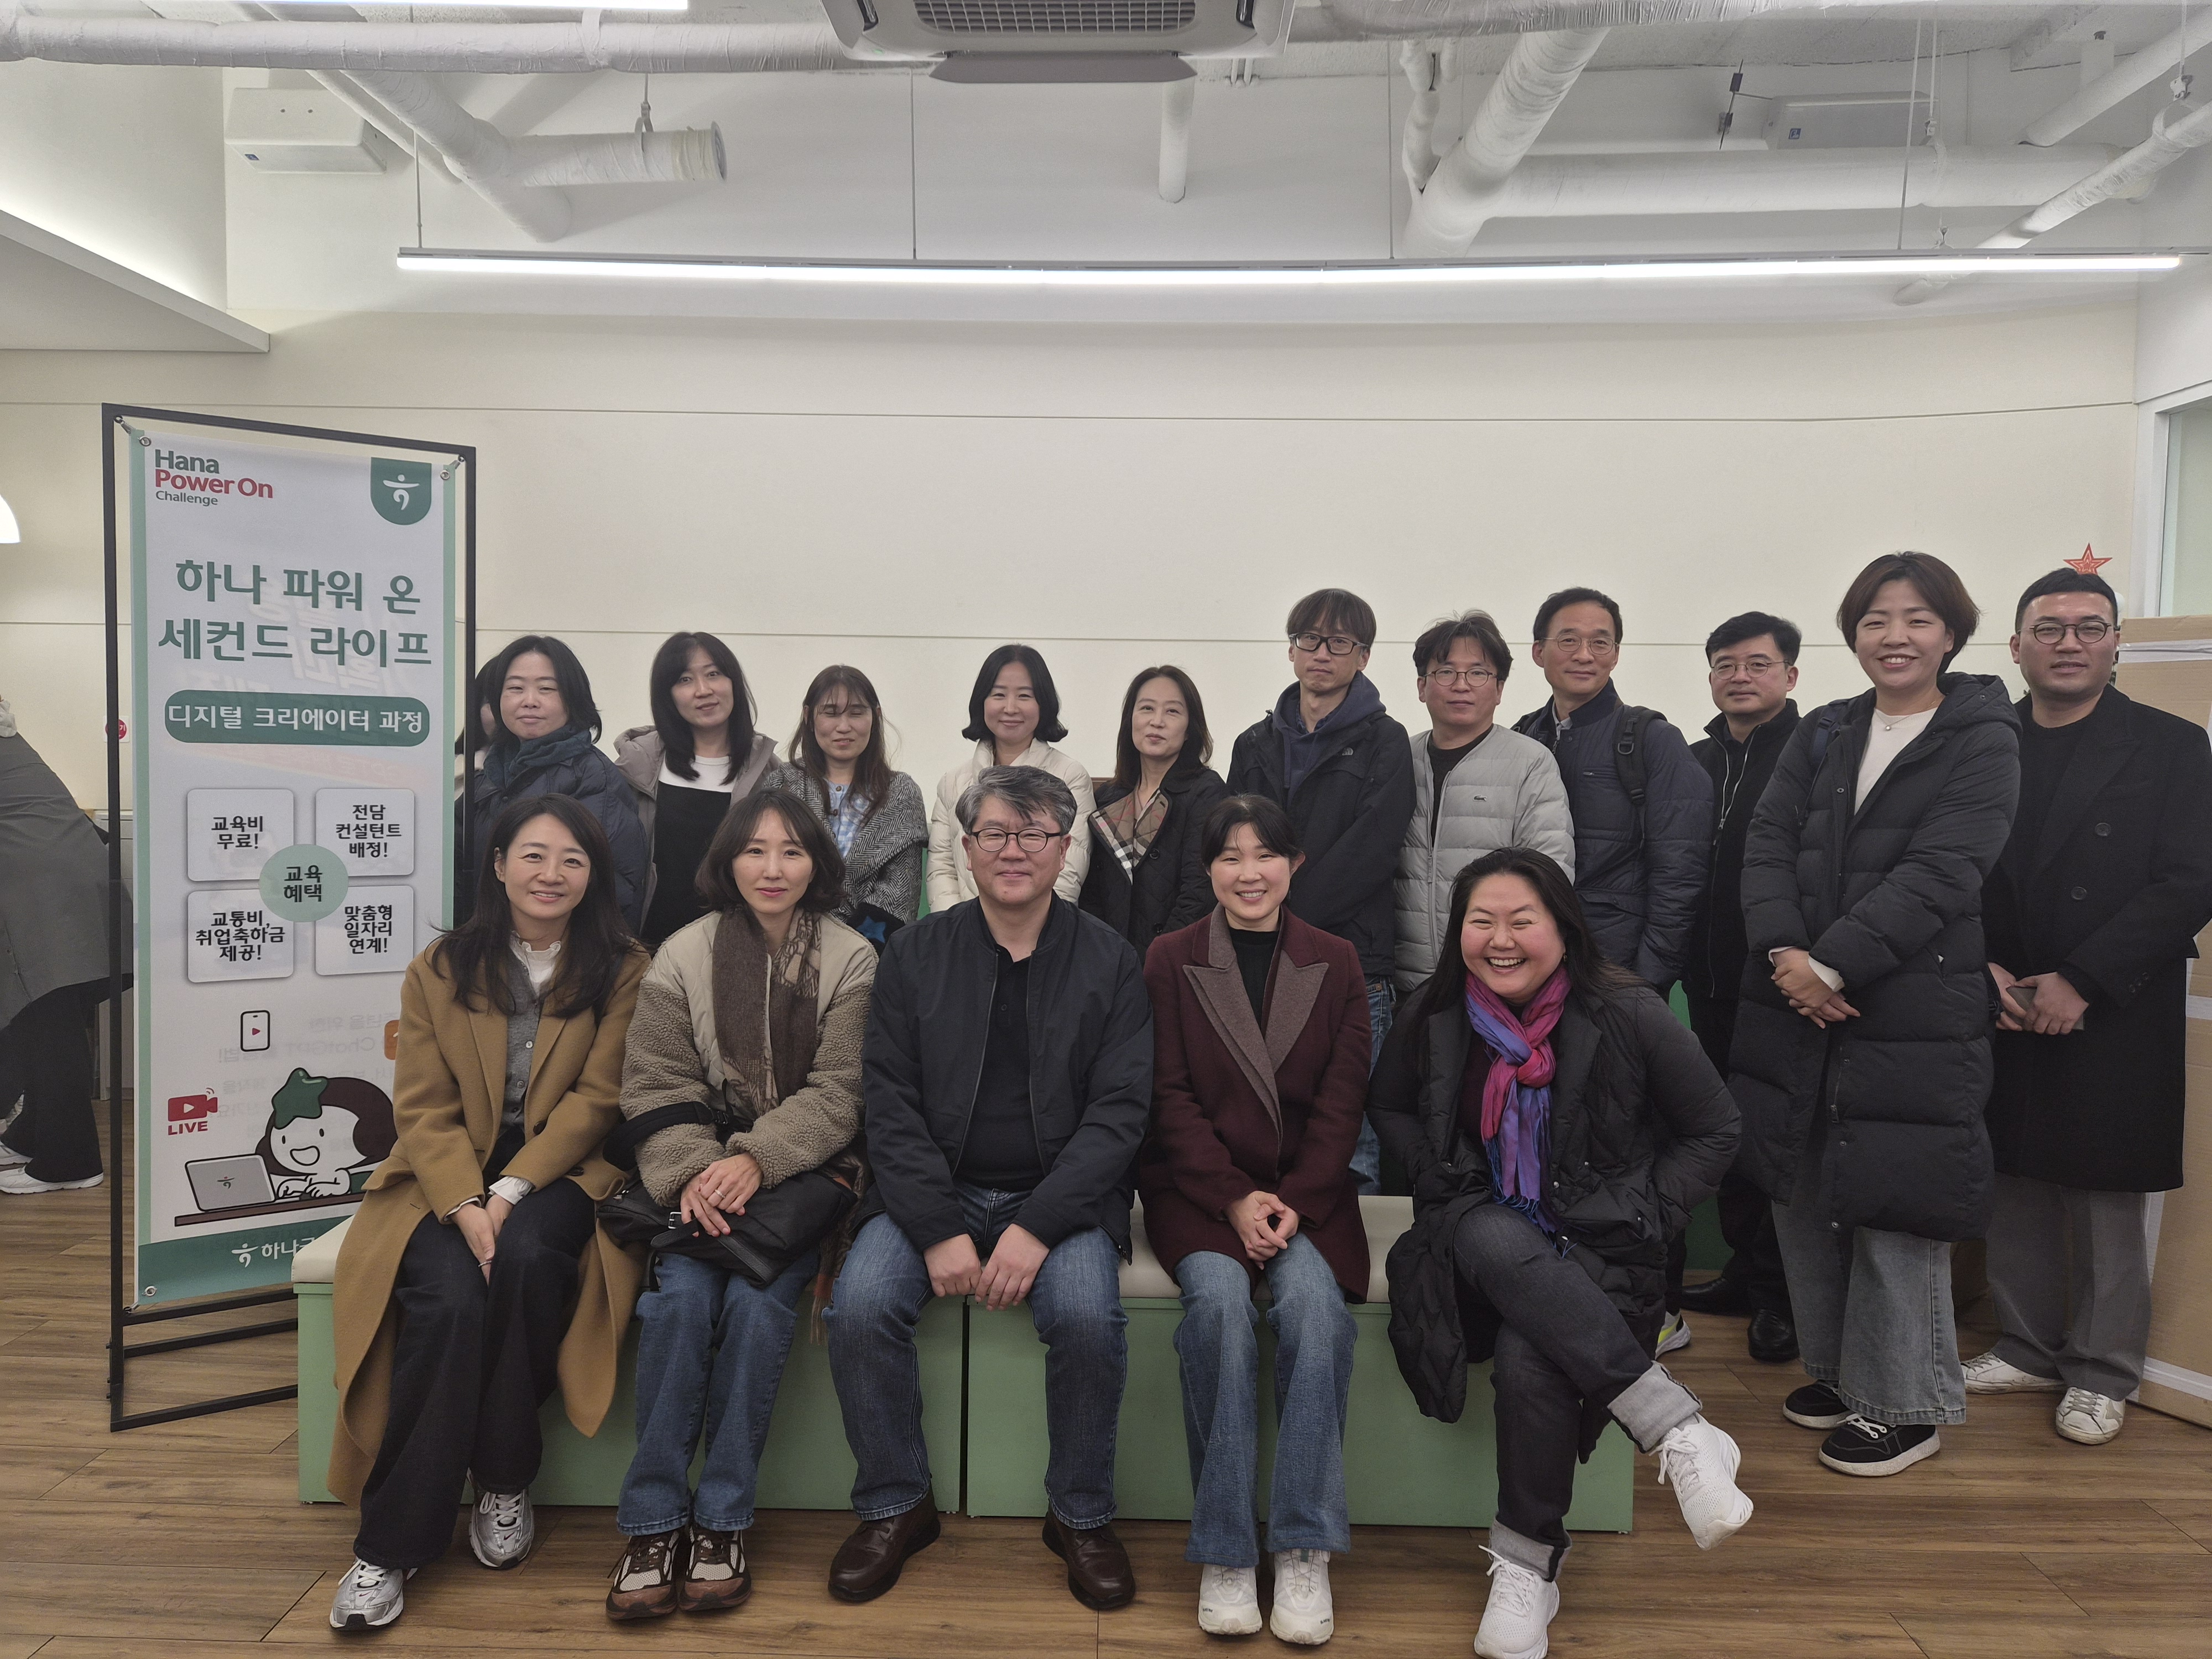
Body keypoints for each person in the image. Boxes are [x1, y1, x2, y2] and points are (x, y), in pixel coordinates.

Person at [1370, 848, 1750, 1659]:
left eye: (1522, 921)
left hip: (1602, 1244)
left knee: (1531, 1353)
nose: (1500, 940)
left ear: (1563, 928)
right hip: (1471, 1241)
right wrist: (1436, 1169)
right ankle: (1675, 1427)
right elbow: (1390, 1105)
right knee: (1486, 1228)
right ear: (1458, 931)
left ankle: (1526, 1566)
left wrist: (1649, 1210)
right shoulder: (1435, 1012)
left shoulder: (1627, 1011)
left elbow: (1715, 1129)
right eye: (1481, 921)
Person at [827, 767, 1152, 1610]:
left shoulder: (1111, 961)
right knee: (859, 1308)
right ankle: (897, 1504)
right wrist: (938, 1227)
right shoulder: (915, 955)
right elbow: (889, 1104)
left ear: (1064, 847)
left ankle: (1079, 1515)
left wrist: (1037, 1228)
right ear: (966, 849)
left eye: (1033, 834)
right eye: (996, 834)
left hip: (1061, 1202)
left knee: (1088, 1319)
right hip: (934, 1191)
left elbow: (1119, 1116)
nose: (1014, 851)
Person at [325, 794, 648, 1632]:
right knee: (447, 1302)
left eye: (573, 859)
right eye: (533, 855)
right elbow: (421, 1106)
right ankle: (389, 1546)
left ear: (594, 876)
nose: (552, 874)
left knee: (533, 1262)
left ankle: (504, 1477)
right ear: (499, 865)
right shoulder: (440, 966)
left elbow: (598, 1100)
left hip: (563, 1171)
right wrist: (465, 1200)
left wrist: (509, 1193)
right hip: (441, 1174)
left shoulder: (623, 967)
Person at [1730, 551, 2020, 1479]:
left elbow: (1944, 870)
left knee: (1897, 1201)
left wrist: (1829, 964)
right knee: (1807, 1192)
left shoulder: (1983, 736)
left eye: (1917, 618)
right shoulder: (1824, 729)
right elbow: (1766, 845)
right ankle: (1845, 1373)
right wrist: (1787, 956)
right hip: (1796, 997)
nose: (1895, 637)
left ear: (1952, 633)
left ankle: (1905, 1405)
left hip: (1910, 1004)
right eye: (1875, 620)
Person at [606, 789, 878, 1620]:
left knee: (760, 1311)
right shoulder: (682, 953)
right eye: (755, 850)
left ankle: (722, 1520)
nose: (772, 867)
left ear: (816, 865)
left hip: (798, 1176)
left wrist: (758, 1159)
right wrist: (697, 1171)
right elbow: (655, 1081)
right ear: (728, 862)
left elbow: (841, 1091)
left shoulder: (852, 958)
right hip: (697, 1175)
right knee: (680, 1305)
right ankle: (652, 1521)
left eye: (792, 851)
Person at [1970, 568, 2212, 1446]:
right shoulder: (1985, 743)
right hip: (2002, 992)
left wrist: (2081, 979)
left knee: (2106, 1190)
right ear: (2017, 646)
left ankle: (2104, 1371)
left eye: (2088, 627)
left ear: (2116, 644)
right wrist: (1983, 970)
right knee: (2015, 1177)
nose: (2068, 643)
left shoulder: (2172, 745)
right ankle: (2027, 1347)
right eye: (2049, 628)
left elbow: (2190, 881)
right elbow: (1952, 867)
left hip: (2114, 998)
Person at [1141, 795, 1369, 1645]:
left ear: (1294, 864)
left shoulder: (1337, 961)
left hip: (1307, 1198)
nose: (1249, 872)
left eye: (1265, 854)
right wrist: (1234, 1197)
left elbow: (1343, 1104)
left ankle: (1305, 1546)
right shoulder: (1170, 958)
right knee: (1220, 1314)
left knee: (1317, 1314)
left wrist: (1292, 1201)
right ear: (1208, 870)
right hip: (1200, 1194)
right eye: (1230, 856)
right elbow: (1167, 1098)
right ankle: (1228, 1549)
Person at [1227, 589, 1415, 1192]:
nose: (1322, 653)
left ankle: (1347, 1252)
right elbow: (1233, 845)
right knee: (1264, 1120)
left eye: (1339, 642)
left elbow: (1373, 848)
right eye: (1309, 638)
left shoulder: (1387, 740)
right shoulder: (1253, 743)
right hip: (1257, 961)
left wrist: (1283, 916)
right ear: (1291, 650)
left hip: (1352, 962)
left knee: (1349, 1133)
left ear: (1363, 656)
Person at [1670, 613, 1804, 1366]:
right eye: (1726, 664)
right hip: (1708, 981)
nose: (1740, 677)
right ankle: (1744, 1273)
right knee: (1726, 1132)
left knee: (1779, 1142)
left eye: (1757, 663)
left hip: (1783, 986)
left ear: (1790, 674)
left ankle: (1784, 1296)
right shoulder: (1696, 760)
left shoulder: (1814, 754)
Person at [1511, 588, 1710, 992]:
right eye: (1569, 640)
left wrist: (1646, 980)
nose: (1585, 655)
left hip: (1615, 967)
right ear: (1538, 652)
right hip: (1527, 960)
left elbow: (1680, 872)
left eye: (1600, 643)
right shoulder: (1522, 738)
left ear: (1615, 654)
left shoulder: (1652, 739)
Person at [1395, 610, 1573, 997]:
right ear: (1422, 686)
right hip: (1404, 982)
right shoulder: (1397, 759)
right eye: (1445, 672)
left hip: (1494, 976)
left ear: (1499, 689)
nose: (1461, 685)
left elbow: (1551, 873)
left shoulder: (1530, 762)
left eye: (1478, 673)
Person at [0, 696, 130, 1194]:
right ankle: (31, 1136)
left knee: (45, 1025)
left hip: (42, 893)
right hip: (65, 882)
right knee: (41, 1024)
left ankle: (70, 1163)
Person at [468, 635, 650, 932]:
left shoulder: (594, 779)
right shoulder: (492, 770)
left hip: (558, 947)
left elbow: (612, 888)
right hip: (487, 939)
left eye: (547, 689)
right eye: (515, 688)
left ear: (573, 699)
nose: (529, 701)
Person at [615, 633, 778, 947]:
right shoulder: (637, 767)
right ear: (668, 695)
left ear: (733, 683)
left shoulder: (769, 772)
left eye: (714, 674)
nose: (703, 690)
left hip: (738, 947)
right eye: (685, 680)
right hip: (646, 947)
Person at [758, 664, 928, 943]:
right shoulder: (782, 783)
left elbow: (901, 891)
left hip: (872, 949)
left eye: (857, 713)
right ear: (809, 717)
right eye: (831, 713)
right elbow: (766, 868)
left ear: (875, 717)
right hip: (786, 941)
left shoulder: (901, 792)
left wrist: (848, 951)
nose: (844, 727)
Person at [926, 645, 1095, 910]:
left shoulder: (1070, 776)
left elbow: (1067, 873)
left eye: (1025, 696)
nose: (1010, 708)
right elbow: (942, 871)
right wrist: (959, 927)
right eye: (999, 695)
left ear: (1043, 703)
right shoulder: (952, 782)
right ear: (982, 701)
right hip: (961, 930)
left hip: (1042, 929)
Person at [1080, 665, 1228, 961]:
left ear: (1190, 729)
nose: (1157, 721)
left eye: (1172, 712)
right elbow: (1091, 893)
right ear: (1130, 720)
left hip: (1175, 961)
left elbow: (1199, 893)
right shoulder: (1108, 797)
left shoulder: (1207, 791)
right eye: (1147, 708)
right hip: (1109, 961)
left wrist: (1158, 960)